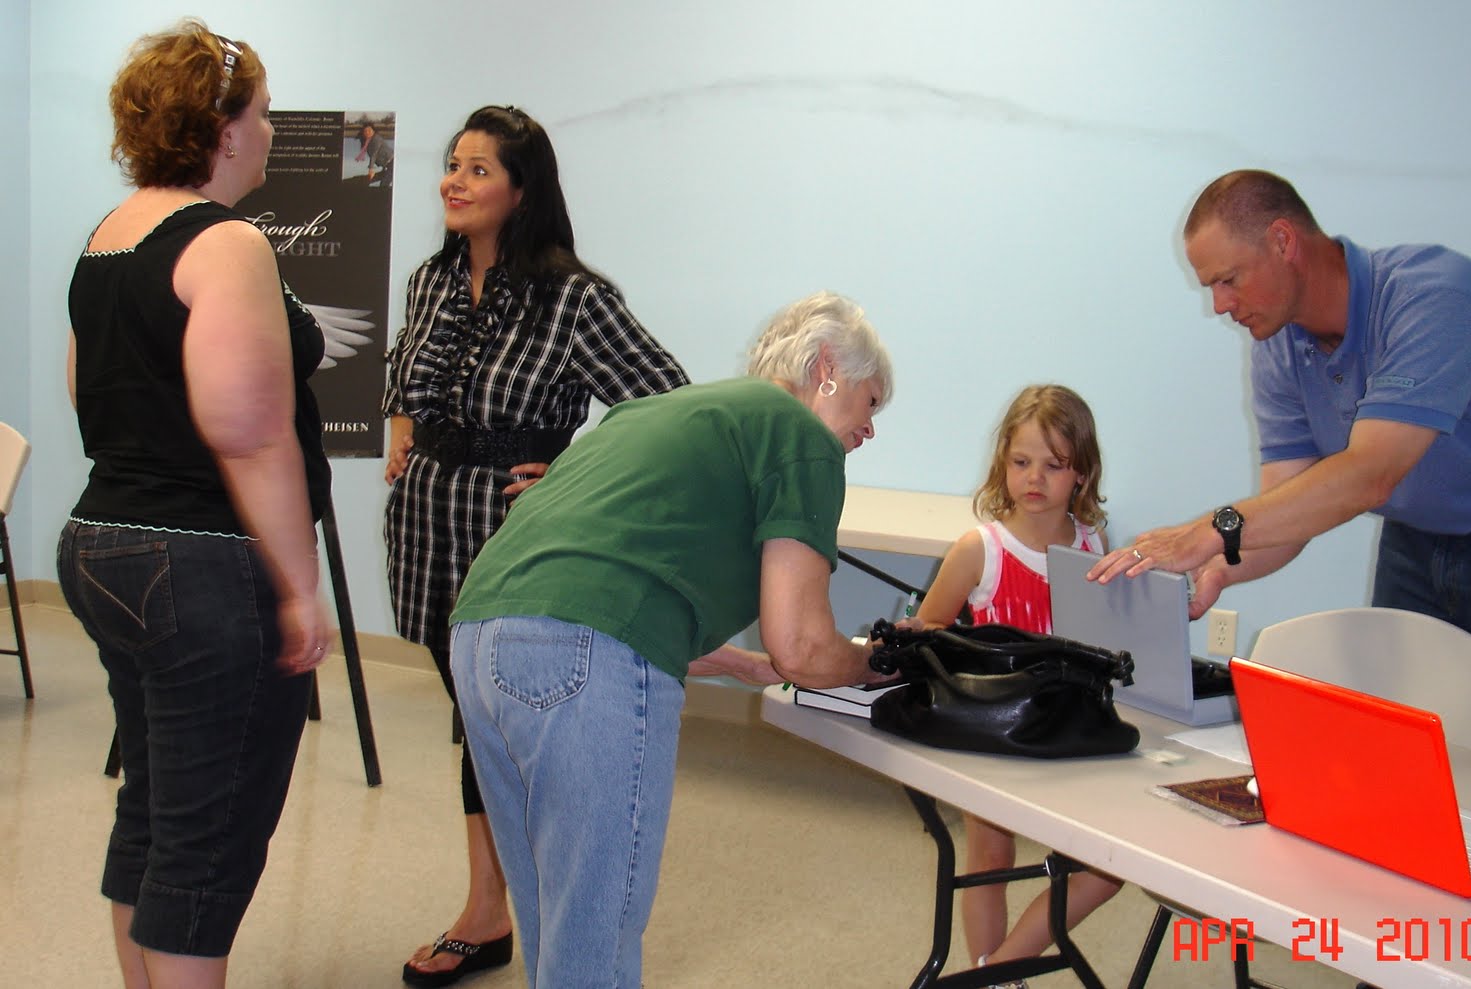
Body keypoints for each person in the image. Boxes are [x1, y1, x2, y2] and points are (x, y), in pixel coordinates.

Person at [1089, 169, 1471, 783]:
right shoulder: (1279, 342)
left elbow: (1368, 475)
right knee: (1406, 758)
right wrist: (1215, 568)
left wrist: (1209, 529)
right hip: (1416, 540)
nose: (1219, 305)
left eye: (1228, 280)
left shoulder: (1433, 299)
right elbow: (1289, 510)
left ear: (1283, 241)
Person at [447, 290, 892, 987]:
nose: (869, 430)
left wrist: (738, 661)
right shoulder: (801, 435)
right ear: (828, 366)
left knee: (552, 918)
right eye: (871, 402)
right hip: (576, 647)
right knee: (595, 940)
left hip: (480, 637)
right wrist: (873, 663)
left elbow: (621, 568)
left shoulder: (671, 410)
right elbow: (803, 648)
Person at [383, 105, 690, 986]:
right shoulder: (430, 282)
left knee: (507, 731)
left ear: (523, 190)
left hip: (518, 540)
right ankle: (499, 908)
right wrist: (407, 425)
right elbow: (405, 368)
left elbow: (666, 407)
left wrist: (568, 473)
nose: (456, 179)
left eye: (479, 168)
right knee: (473, 722)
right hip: (430, 525)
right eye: (454, 163)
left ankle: (508, 913)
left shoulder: (575, 297)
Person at [58, 20, 333, 989]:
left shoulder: (110, 234)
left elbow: (83, 385)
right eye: (261, 113)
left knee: (158, 805)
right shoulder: (227, 243)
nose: (268, 131)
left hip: (102, 543)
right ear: (222, 128)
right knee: (207, 839)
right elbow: (249, 430)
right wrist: (299, 585)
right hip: (200, 565)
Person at [910, 385, 1123, 986]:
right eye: (1021, 461)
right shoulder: (981, 550)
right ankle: (997, 976)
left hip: (1069, 735)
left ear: (1081, 472)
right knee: (991, 859)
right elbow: (928, 630)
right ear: (1003, 462)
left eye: (1054, 466)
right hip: (997, 735)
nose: (1035, 479)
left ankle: (998, 970)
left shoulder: (1090, 547)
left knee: (1107, 870)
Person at [355, 122, 394, 187]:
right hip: (388, 165)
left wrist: (371, 169)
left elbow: (374, 154)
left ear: (373, 131)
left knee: (383, 184)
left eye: (369, 130)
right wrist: (383, 169)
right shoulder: (367, 142)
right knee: (384, 182)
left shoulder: (376, 138)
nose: (367, 132)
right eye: (365, 131)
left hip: (393, 163)